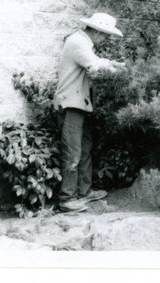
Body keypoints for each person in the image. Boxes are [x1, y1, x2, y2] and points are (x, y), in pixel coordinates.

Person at [53, 13, 126, 212]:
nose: (107, 39)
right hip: (71, 105)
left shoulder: (82, 42)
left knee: (85, 148)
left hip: (78, 104)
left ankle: (84, 192)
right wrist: (119, 70)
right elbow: (94, 65)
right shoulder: (78, 42)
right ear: (95, 31)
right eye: (105, 35)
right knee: (73, 152)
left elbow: (96, 60)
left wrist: (112, 64)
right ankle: (67, 200)